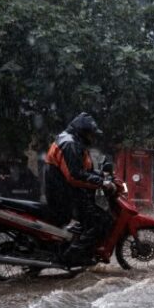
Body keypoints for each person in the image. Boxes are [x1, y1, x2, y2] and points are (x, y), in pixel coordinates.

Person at [45, 112, 114, 265]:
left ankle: (80, 249)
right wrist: (101, 183)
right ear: (83, 132)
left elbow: (83, 170)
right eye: (91, 134)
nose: (93, 138)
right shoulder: (70, 144)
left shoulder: (73, 141)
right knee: (101, 222)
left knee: (95, 219)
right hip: (65, 195)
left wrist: (101, 175)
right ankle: (74, 256)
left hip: (68, 192)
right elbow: (74, 176)